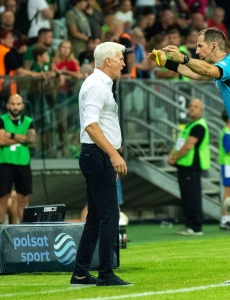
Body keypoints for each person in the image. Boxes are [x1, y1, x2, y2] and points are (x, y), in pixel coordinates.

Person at [149, 27, 230, 284]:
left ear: (213, 46)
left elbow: (205, 70)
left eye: (200, 46)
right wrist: (170, 64)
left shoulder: (228, 65)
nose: (197, 50)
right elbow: (198, 74)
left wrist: (183, 57)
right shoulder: (228, 67)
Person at [70, 41, 131, 286]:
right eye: (120, 57)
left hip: (95, 154)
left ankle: (81, 272)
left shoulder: (98, 84)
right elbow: (91, 125)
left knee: (96, 216)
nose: (124, 62)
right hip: (97, 154)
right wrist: (113, 155)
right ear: (108, 61)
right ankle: (106, 274)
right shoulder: (97, 86)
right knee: (109, 215)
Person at [167, 98, 210, 236]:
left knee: (192, 196)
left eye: (195, 106)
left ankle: (195, 226)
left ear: (201, 110)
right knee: (187, 197)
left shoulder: (199, 126)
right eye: (191, 106)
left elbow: (187, 146)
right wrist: (172, 154)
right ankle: (189, 225)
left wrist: (175, 158)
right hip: (184, 165)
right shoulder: (189, 125)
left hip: (192, 165)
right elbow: (180, 143)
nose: (192, 108)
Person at [0, 94, 36, 224]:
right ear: (8, 105)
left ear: (23, 106)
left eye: (18, 104)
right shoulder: (2, 119)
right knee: (3, 198)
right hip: (4, 163)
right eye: (13, 104)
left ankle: (24, 230)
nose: (15, 107)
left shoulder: (28, 121)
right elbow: (1, 140)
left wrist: (11, 134)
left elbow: (31, 140)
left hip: (23, 163)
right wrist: (22, 139)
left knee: (23, 199)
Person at [218, 110, 230, 230]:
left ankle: (228, 218)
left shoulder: (229, 132)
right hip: (227, 165)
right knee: (228, 192)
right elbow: (228, 150)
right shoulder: (227, 133)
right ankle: (225, 219)